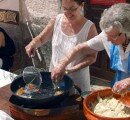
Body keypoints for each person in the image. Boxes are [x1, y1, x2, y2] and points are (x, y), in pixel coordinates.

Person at [51, 3, 130, 94]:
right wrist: (62, 64)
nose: (107, 39)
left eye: (112, 36)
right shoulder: (108, 35)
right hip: (119, 90)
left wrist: (128, 81)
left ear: (127, 32)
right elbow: (80, 48)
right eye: (106, 34)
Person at [25, 0, 98, 92]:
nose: (68, 13)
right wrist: (33, 44)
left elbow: (92, 57)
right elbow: (41, 39)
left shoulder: (89, 28)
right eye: (64, 9)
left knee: (75, 104)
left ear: (82, 5)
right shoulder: (56, 20)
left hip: (77, 79)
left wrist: (69, 70)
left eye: (73, 9)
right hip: (55, 74)